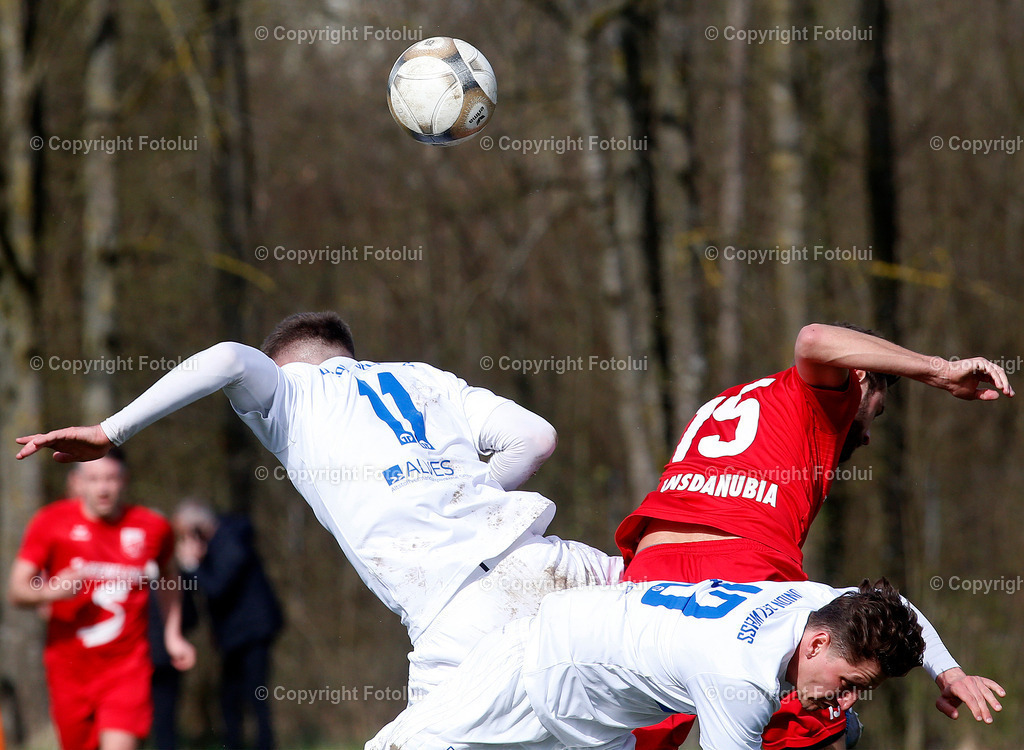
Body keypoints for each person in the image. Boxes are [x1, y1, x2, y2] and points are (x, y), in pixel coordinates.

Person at [15, 312, 622, 702]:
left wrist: (109, 431)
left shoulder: (290, 396)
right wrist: (472, 499)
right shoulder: (426, 377)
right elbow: (536, 438)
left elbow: (227, 358)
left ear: (283, 365)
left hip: (457, 611)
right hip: (561, 564)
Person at [617, 322, 1014, 749]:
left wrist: (947, 671)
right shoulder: (815, 395)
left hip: (649, 577)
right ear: (858, 372)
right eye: (875, 412)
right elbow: (814, 339)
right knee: (822, 727)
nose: (865, 435)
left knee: (627, 734)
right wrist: (937, 371)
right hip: (741, 576)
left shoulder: (734, 400)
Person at [367, 578, 1004, 750]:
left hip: (594, 707)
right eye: (847, 685)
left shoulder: (818, 606)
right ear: (817, 648)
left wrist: (947, 672)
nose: (841, 704)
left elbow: (900, 612)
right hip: (540, 675)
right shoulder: (742, 680)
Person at [6, 449, 196, 750]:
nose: (103, 488)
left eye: (111, 478)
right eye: (94, 479)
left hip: (127, 668)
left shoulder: (152, 527)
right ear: (78, 482)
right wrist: (50, 592)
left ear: (125, 479)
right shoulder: (50, 522)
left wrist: (173, 635)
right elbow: (16, 590)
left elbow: (170, 577)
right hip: (69, 668)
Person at [173, 500, 283, 750]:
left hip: (253, 630)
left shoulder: (231, 541)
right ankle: (234, 743)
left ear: (198, 528)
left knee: (256, 693)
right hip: (233, 634)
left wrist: (192, 565)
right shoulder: (220, 542)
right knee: (230, 696)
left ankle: (264, 744)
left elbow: (216, 587)